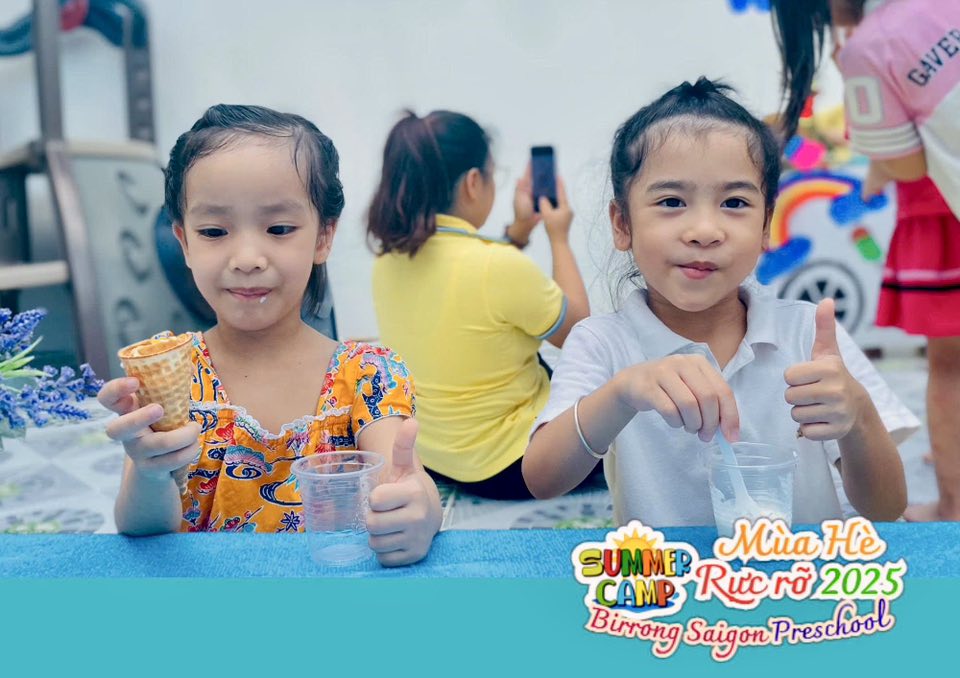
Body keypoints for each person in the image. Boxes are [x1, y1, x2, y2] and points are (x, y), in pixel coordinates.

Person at [523, 78, 917, 527]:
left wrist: (858, 416)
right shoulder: (602, 343)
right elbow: (543, 479)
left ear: (766, 225)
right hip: (665, 573)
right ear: (622, 224)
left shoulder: (808, 335)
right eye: (672, 201)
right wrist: (622, 393)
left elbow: (887, 507)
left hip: (801, 570)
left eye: (734, 202)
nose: (705, 231)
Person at [97, 104, 441, 566]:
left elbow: (406, 478)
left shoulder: (367, 375)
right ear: (184, 242)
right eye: (214, 231)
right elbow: (143, 529)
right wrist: (150, 472)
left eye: (279, 228)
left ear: (323, 237)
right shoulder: (173, 377)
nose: (247, 258)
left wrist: (419, 509)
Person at [771, 0, 960, 521]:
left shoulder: (870, 46)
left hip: (941, 212)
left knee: (949, 365)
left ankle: (953, 503)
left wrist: (855, 66)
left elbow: (906, 163)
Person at [367, 110, 590, 500]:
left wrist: (518, 233)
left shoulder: (386, 262)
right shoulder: (496, 267)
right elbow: (580, 334)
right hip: (514, 466)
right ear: (473, 182)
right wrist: (558, 236)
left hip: (435, 457)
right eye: (491, 175)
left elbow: (472, 281)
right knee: (612, 401)